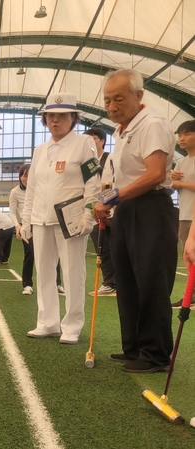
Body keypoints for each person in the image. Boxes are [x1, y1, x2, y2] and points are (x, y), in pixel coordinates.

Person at [94, 69, 177, 373]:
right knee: (127, 281)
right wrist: (106, 202)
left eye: (119, 98)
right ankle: (134, 348)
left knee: (152, 282)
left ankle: (155, 355)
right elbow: (121, 178)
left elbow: (154, 174)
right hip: (127, 209)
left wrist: (114, 198)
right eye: (107, 100)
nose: (112, 106)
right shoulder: (122, 131)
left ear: (138, 96)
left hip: (151, 208)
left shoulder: (151, 125)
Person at [20, 93, 101, 345]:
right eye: (50, 116)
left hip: (71, 222)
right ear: (45, 120)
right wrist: (26, 220)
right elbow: (31, 188)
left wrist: (89, 212)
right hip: (41, 220)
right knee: (44, 273)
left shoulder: (84, 143)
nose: (55, 120)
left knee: (73, 273)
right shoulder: (40, 149)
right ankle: (47, 322)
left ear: (73, 118)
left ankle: (72, 326)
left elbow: (93, 182)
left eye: (62, 115)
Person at [9, 165, 64, 295]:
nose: (27, 179)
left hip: (42, 223)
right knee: (30, 254)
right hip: (27, 225)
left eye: (30, 175)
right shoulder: (15, 192)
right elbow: (11, 211)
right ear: (20, 177)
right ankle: (27, 284)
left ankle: (57, 284)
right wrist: (18, 225)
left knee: (53, 253)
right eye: (24, 175)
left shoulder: (40, 189)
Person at [83, 127, 117, 297]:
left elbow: (112, 184)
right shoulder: (87, 163)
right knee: (101, 248)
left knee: (117, 247)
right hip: (94, 211)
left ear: (102, 141)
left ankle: (118, 284)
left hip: (112, 208)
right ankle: (109, 283)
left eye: (94, 139)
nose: (89, 142)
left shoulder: (109, 158)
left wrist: (107, 200)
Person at [169, 120, 195, 307]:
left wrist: (181, 184)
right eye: (180, 135)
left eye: (186, 134)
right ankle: (191, 295)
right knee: (187, 258)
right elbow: (172, 189)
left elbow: (181, 187)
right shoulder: (181, 163)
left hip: (193, 217)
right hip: (184, 215)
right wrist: (172, 181)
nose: (181, 138)